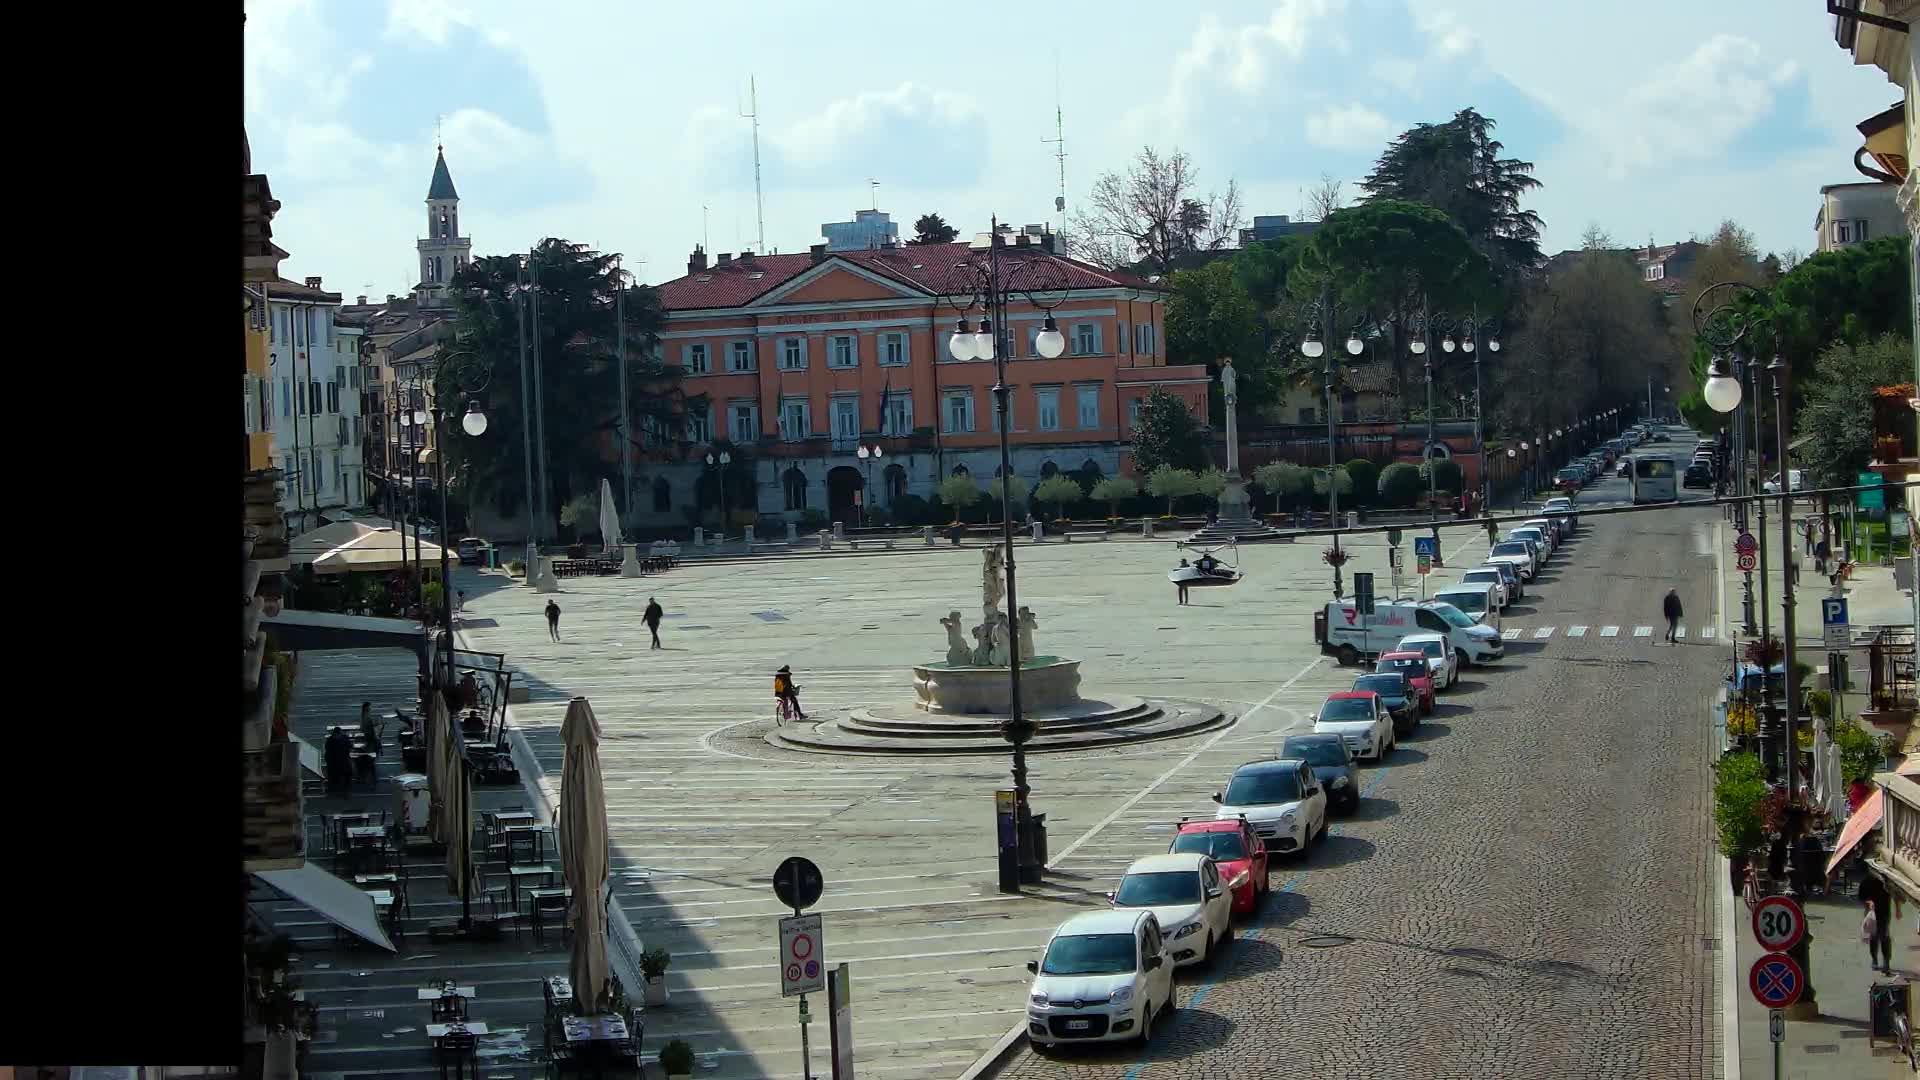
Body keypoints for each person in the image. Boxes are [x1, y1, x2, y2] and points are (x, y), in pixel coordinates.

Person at [1862, 873, 1894, 974]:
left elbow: (1895, 893)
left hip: (1884, 913)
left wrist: (1898, 908)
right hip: (1872, 915)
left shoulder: (1887, 879)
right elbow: (1861, 896)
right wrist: (1869, 902)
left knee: (1884, 937)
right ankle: (1874, 959)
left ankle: (1886, 962)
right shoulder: (1868, 880)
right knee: (1874, 937)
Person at [324, 726, 354, 795]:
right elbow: (350, 746)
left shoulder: (330, 739)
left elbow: (327, 749)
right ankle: (346, 787)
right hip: (344, 762)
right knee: (348, 771)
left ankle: (333, 786)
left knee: (332, 773)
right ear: (340, 732)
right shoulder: (345, 738)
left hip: (333, 763)